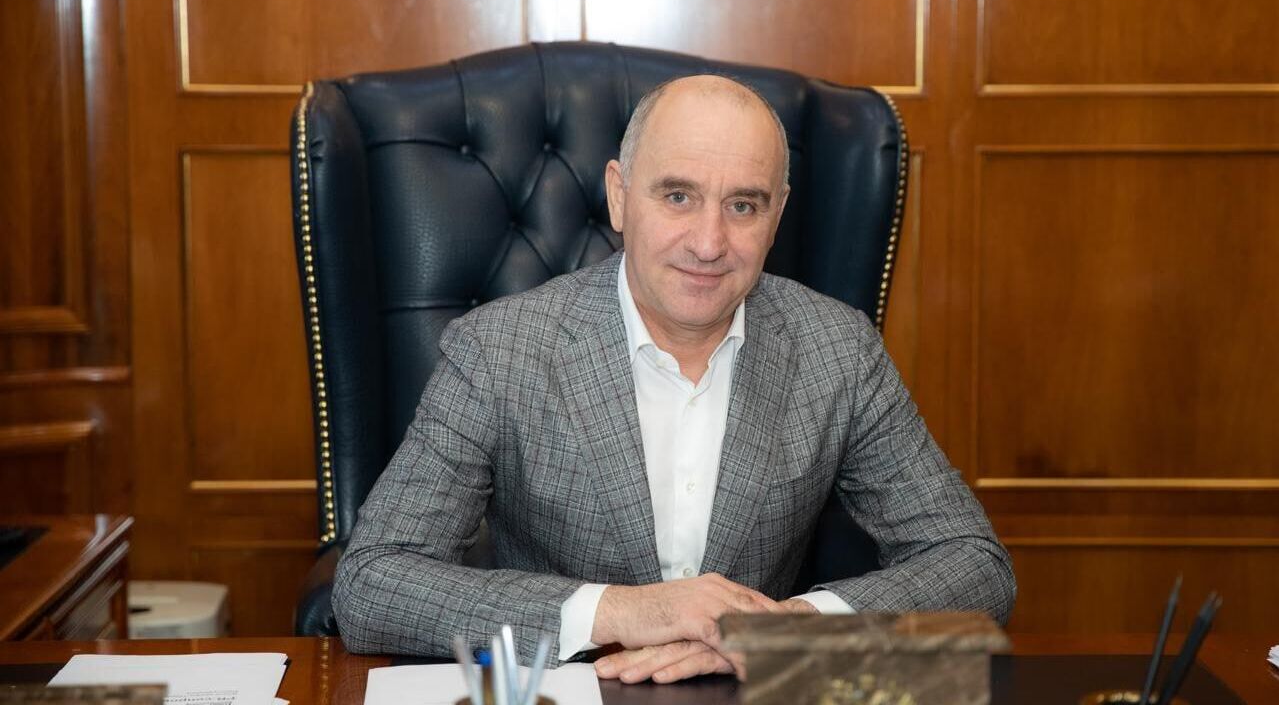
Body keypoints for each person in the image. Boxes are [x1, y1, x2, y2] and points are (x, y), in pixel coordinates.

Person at [332, 74, 1015, 684]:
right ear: (619, 197)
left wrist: (786, 631)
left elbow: (974, 564)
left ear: (777, 215)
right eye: (678, 196)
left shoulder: (837, 349)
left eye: (743, 206)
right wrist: (623, 611)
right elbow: (371, 583)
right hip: (575, 686)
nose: (709, 243)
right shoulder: (499, 349)